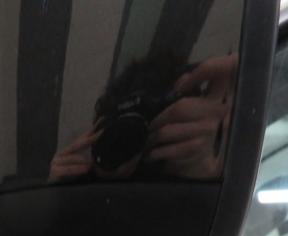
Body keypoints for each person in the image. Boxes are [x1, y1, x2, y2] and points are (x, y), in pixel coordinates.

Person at [49, 52, 238, 183]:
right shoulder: (85, 185)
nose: (132, 144)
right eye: (120, 139)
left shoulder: (210, 170)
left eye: (160, 134)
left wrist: (218, 168)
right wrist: (58, 192)